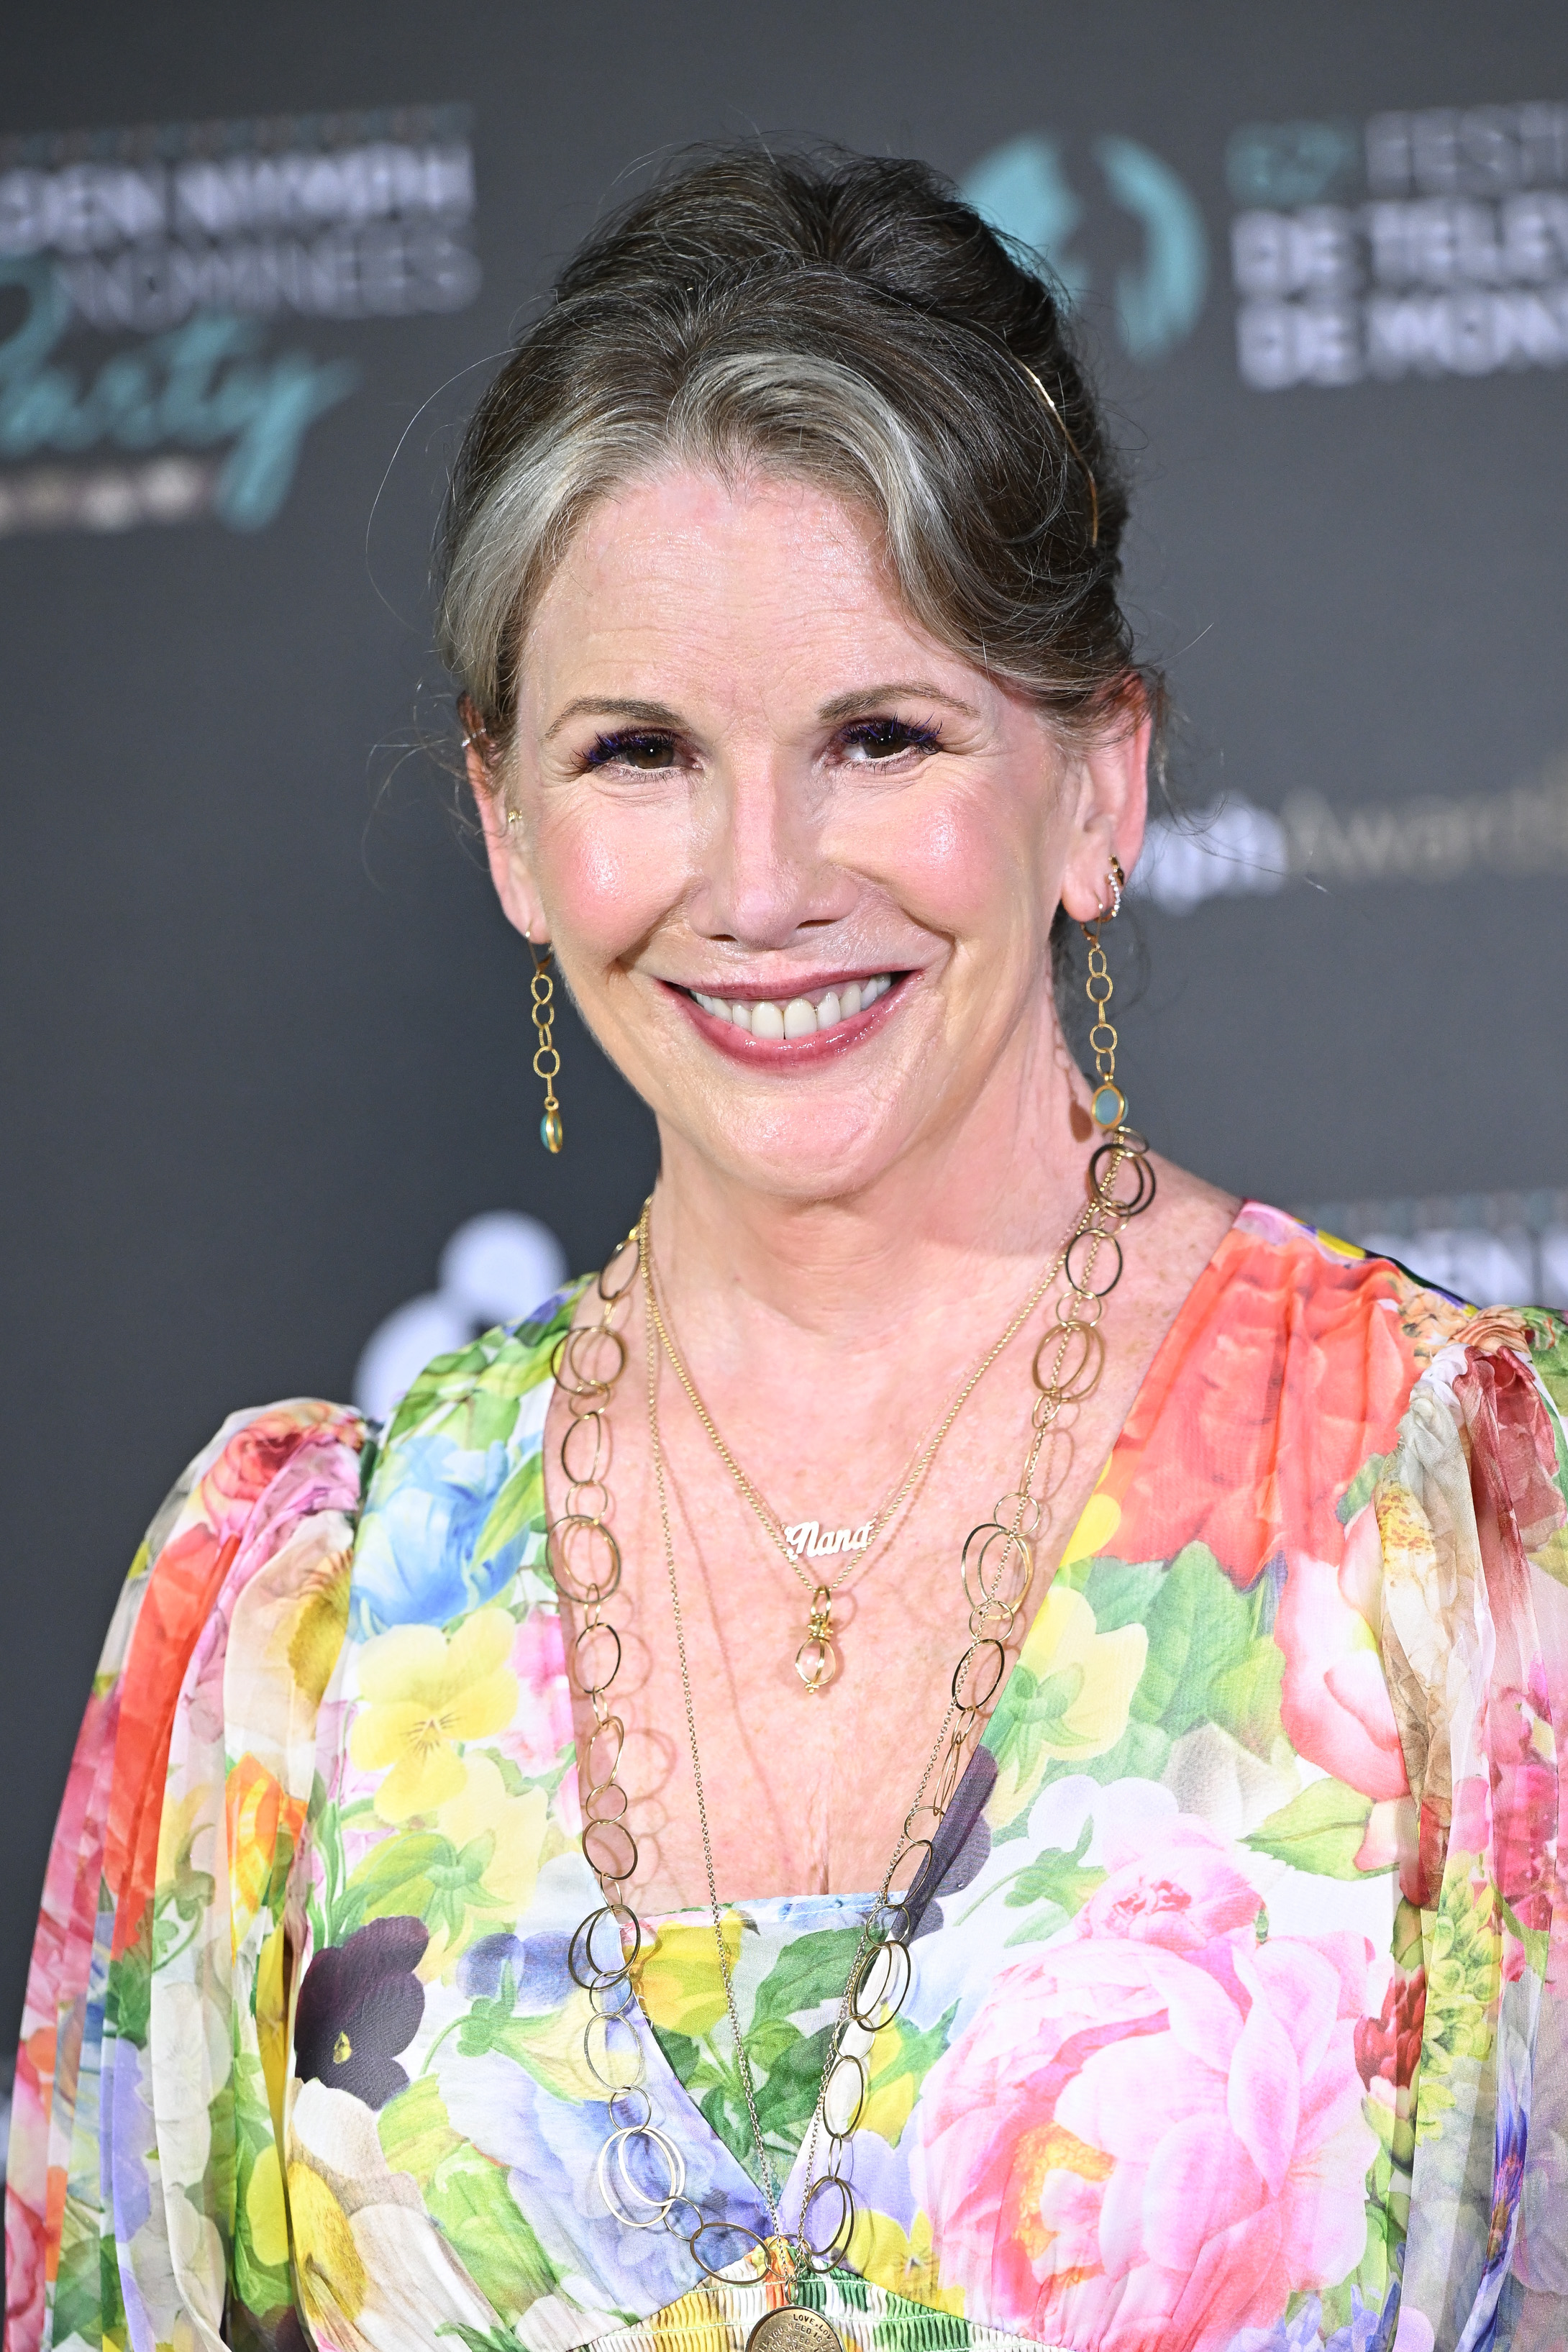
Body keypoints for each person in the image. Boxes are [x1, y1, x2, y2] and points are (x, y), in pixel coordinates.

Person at [6, 147, 1567, 2352]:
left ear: (1098, 788)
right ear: (511, 830)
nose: (760, 885)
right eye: (639, 752)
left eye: (879, 737)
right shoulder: (307, 1617)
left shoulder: (1461, 1536)